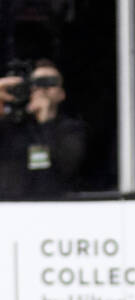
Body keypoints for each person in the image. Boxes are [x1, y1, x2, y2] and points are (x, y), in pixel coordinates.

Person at [0, 59, 86, 198]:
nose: (43, 89)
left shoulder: (71, 129)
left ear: (61, 94)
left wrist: (45, 122)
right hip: (11, 207)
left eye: (50, 83)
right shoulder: (12, 125)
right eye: (37, 83)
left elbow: (68, 166)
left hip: (53, 206)